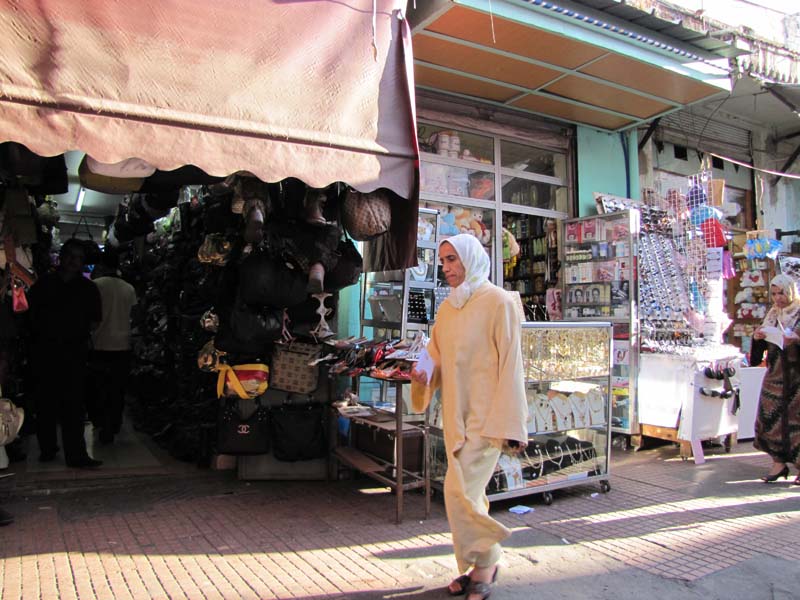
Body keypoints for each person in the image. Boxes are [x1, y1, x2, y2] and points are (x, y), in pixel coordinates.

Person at [410, 234, 528, 600]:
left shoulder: (500, 302)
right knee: (469, 495)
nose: (445, 268)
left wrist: (510, 422)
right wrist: (422, 371)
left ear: (472, 259)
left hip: (488, 415)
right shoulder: (448, 309)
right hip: (455, 415)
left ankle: (488, 560)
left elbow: (512, 364)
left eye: (452, 260)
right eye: (442, 261)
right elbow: (436, 352)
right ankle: (479, 561)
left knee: (458, 490)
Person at [27, 239, 103, 468]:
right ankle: (48, 448)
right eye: (70, 256)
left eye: (79, 258)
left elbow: (95, 321)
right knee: (45, 403)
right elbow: (30, 317)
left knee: (73, 404)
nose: (73, 262)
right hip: (44, 352)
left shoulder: (88, 289)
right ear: (62, 257)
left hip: (74, 353)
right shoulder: (44, 285)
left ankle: (76, 454)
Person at [751, 274, 800, 484]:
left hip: (797, 376)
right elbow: (758, 354)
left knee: (796, 420)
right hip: (775, 375)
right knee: (769, 416)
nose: (778, 298)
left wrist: (797, 339)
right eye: (774, 293)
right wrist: (758, 338)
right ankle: (778, 463)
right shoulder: (773, 314)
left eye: (782, 293)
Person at [89, 248, 137, 445]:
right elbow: (136, 315)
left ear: (101, 265)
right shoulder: (129, 288)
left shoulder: (95, 286)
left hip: (99, 345)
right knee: (117, 389)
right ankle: (114, 422)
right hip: (122, 345)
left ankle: (101, 422)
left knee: (98, 387)